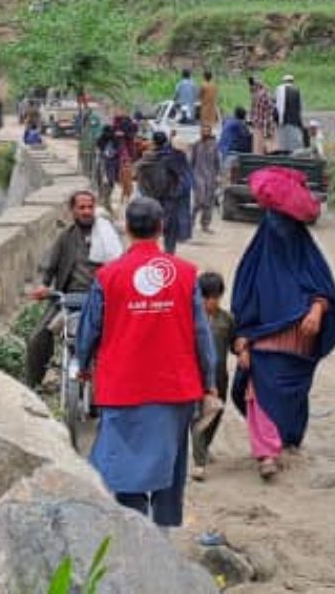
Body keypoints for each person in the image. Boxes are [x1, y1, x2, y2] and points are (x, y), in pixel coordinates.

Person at [75, 197, 218, 527]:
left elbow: (89, 328)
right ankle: (164, 527)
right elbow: (201, 334)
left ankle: (134, 524)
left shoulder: (109, 276)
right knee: (171, 458)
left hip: (122, 384)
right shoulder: (185, 275)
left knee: (125, 464)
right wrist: (208, 379)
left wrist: (83, 365)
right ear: (161, 228)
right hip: (175, 384)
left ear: (126, 228)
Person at [231, 168, 335, 480]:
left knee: (293, 394)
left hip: (299, 344)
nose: (280, 229)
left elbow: (325, 291)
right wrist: (241, 339)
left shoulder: (306, 254)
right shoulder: (256, 258)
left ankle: (288, 438)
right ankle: (266, 453)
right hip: (264, 342)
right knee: (258, 390)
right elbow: (242, 300)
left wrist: (318, 310)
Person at [25, 190, 120, 389]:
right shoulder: (65, 238)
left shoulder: (107, 235)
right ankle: (32, 387)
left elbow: (120, 264)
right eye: (81, 207)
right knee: (37, 338)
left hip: (103, 299)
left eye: (90, 207)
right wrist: (44, 286)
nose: (86, 211)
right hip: (68, 298)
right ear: (72, 211)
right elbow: (49, 268)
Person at [192, 271, 235, 481]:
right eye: (206, 297)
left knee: (216, 413)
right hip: (196, 377)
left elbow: (235, 344)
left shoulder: (226, 320)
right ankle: (199, 463)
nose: (211, 302)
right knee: (200, 418)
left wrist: (243, 346)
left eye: (215, 298)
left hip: (220, 378)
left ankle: (205, 447)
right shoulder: (190, 318)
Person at [134, 132, 187, 254]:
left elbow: (137, 177)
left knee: (150, 228)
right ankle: (169, 254)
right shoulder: (173, 157)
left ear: (153, 142)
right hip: (169, 199)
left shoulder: (146, 159)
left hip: (151, 200)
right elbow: (181, 176)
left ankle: (149, 253)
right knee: (170, 230)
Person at [190, 129, 221, 232]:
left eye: (208, 131)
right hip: (198, 175)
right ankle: (191, 222)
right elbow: (192, 161)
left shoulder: (214, 146)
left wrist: (218, 176)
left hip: (211, 177)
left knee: (209, 202)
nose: (205, 133)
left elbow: (217, 162)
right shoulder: (196, 145)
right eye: (204, 131)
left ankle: (205, 225)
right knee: (198, 200)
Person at [218, 107, 254, 177]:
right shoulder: (239, 124)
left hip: (222, 149)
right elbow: (247, 137)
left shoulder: (228, 121)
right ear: (244, 116)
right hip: (232, 151)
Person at [274, 74, 304, 154]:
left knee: (283, 142)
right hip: (294, 121)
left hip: (283, 121)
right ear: (292, 81)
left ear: (284, 81)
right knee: (294, 144)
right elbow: (300, 106)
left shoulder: (279, 89)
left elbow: (276, 105)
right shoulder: (297, 90)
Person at [248, 76, 275, 155]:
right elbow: (270, 112)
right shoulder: (265, 94)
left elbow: (252, 113)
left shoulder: (255, 96)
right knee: (268, 150)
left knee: (257, 151)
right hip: (264, 127)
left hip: (258, 126)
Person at [199, 70, 220, 134]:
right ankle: (209, 134)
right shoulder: (214, 86)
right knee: (210, 124)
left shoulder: (203, 85)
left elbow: (200, 95)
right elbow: (216, 96)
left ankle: (203, 136)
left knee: (204, 124)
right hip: (212, 107)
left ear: (204, 77)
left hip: (205, 107)